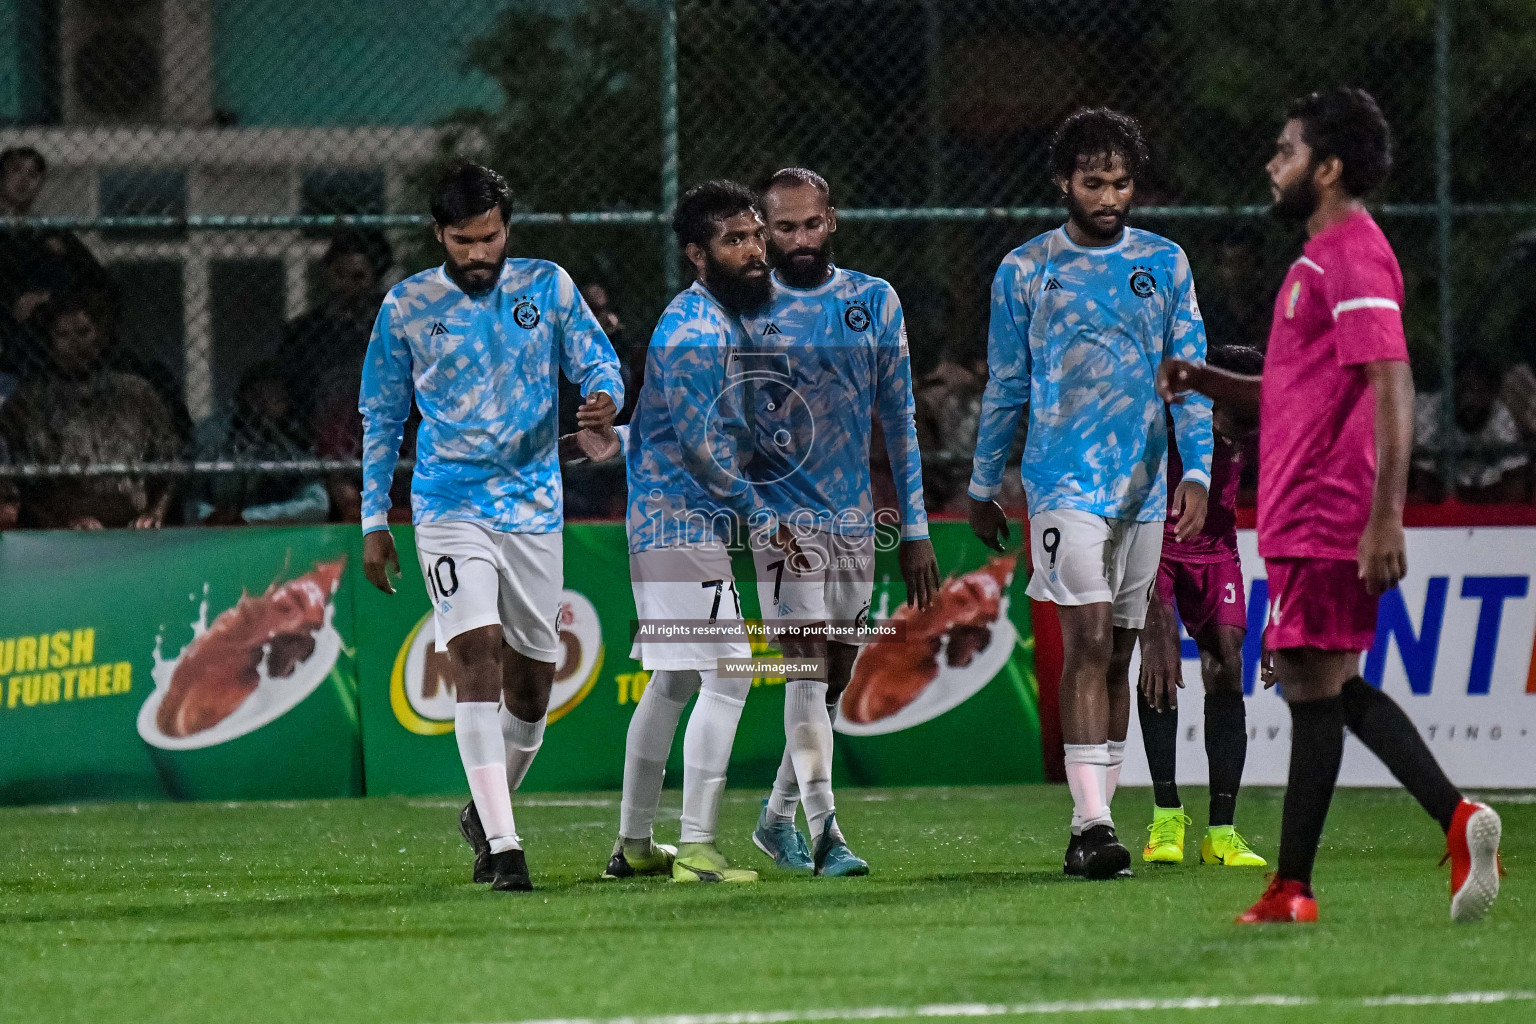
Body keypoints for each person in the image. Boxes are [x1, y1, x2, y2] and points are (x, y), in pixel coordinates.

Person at [1159, 86, 1502, 924]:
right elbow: (1288, 392)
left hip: (1325, 508)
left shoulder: (1352, 253)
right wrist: (1205, 380)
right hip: (1300, 507)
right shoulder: (1318, 261)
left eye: (1286, 151)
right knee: (1320, 682)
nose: (1273, 165)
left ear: (1330, 167)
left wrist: (1386, 515)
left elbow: (1393, 380)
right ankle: (1298, 886)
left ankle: (1442, 822)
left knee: (1317, 682)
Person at [359, 163, 623, 893]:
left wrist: (602, 397)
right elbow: (381, 416)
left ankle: (483, 810)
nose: (478, 253)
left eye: (490, 237)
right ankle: (504, 846)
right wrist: (373, 518)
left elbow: (600, 362)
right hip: (448, 505)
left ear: (507, 227)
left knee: (534, 685)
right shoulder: (407, 306)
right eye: (463, 240)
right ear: (438, 234)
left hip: (535, 507)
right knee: (475, 651)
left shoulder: (548, 286)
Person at [967, 108, 1213, 881]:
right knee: (1089, 642)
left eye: (1122, 182)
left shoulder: (1167, 264)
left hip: (1144, 489)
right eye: (1094, 182)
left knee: (1120, 656)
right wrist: (983, 483)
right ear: (1062, 182)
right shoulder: (1025, 270)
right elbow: (1004, 385)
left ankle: (1096, 832)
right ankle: (1092, 821)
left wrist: (1196, 469)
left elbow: (1191, 378)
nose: (1110, 197)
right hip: (1062, 482)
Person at [736, 167, 940, 877]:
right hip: (780, 524)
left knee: (835, 673)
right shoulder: (740, 309)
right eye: (783, 228)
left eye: (809, 224)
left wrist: (914, 528)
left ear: (833, 220)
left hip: (855, 523)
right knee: (805, 667)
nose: (798, 239)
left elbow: (900, 418)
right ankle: (828, 835)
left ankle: (773, 819)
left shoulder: (873, 301)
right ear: (762, 231)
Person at [602, 180, 795, 885]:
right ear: (696, 253)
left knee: (676, 679)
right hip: (681, 526)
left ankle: (635, 845)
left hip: (676, 523)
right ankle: (700, 848)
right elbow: (704, 445)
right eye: (733, 240)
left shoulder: (724, 319)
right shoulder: (691, 331)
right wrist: (763, 515)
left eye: (754, 236)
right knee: (729, 676)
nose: (752, 250)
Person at [1136, 344, 1266, 869]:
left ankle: (1221, 832)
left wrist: (1279, 610)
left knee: (1228, 667)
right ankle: (1165, 818)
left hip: (1216, 550)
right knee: (1161, 662)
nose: (1247, 432)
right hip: (1157, 544)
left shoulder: (1258, 428)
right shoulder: (1169, 418)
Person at [0, 292, 178, 529]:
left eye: (83, 332)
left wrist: (155, 512)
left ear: (100, 336)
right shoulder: (27, 402)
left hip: (132, 526)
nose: (74, 344)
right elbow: (16, 488)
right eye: (63, 335)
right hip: (62, 530)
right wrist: (60, 523)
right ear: (50, 341)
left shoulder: (136, 392)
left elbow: (173, 463)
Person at [0, 147, 115, 372]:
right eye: (16, 171)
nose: (24, 180)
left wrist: (47, 296)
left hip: (39, 342)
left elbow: (96, 279)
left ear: (41, 184)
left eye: (33, 175)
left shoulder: (48, 233)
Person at [202, 362, 329, 526]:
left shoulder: (295, 438)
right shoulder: (215, 431)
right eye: (256, 396)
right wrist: (209, 515)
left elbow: (317, 504)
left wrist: (250, 517)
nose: (263, 403)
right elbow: (191, 496)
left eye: (276, 396)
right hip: (217, 525)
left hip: (270, 528)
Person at [1410, 351, 1529, 503]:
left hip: (1488, 492)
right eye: (1464, 390)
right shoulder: (1429, 411)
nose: (1469, 400)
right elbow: (1423, 481)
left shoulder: (1502, 416)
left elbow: (1515, 484)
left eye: (1477, 391)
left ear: (1491, 394)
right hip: (1443, 491)